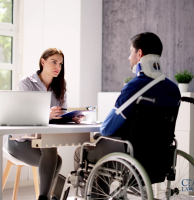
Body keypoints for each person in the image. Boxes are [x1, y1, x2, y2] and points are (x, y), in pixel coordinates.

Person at [74, 32, 181, 195]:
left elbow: (106, 130)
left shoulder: (135, 87)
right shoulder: (173, 90)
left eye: (131, 52)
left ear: (139, 54)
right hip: (159, 159)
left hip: (130, 156)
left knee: (81, 152)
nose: (128, 57)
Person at [5, 48, 83, 200]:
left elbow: (60, 113)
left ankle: (44, 198)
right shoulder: (26, 83)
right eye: (54, 62)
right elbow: (20, 116)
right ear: (43, 62)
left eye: (60, 64)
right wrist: (45, 115)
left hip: (41, 140)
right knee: (56, 159)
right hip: (19, 141)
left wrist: (69, 117)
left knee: (51, 148)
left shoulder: (60, 85)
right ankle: (50, 198)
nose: (58, 67)